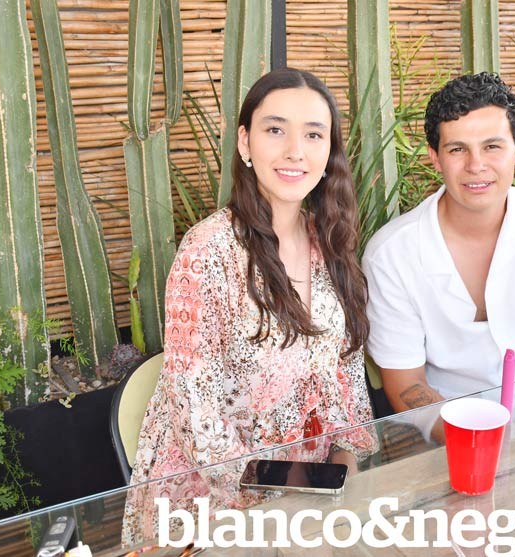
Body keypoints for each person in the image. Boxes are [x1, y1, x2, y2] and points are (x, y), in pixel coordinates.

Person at [122, 68, 377, 544]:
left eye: (313, 134)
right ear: (245, 142)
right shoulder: (208, 252)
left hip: (309, 490)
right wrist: (280, 500)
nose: (295, 151)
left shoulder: (329, 243)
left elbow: (346, 373)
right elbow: (197, 418)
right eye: (275, 130)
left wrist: (345, 463)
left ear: (329, 152)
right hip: (212, 502)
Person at [362, 72, 515, 440]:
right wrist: (479, 444)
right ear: (435, 157)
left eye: (492, 146)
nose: (476, 165)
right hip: (444, 430)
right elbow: (406, 384)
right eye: (457, 149)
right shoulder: (391, 255)